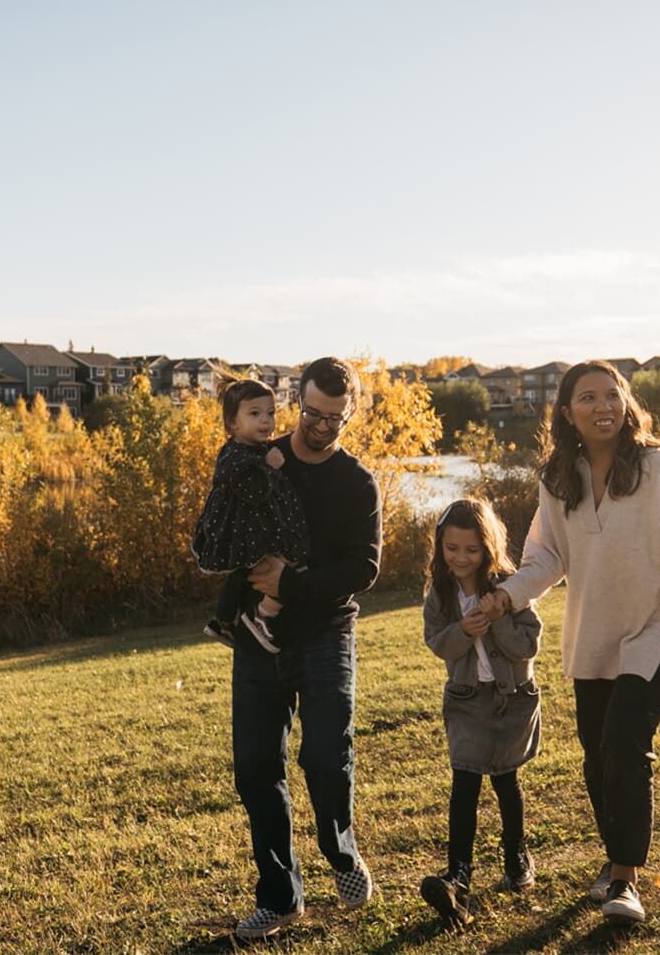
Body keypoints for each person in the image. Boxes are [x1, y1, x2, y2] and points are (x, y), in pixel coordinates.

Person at [482, 359, 660, 927]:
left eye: (611, 395)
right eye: (588, 398)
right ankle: (614, 860)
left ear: (627, 404)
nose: (603, 407)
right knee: (597, 761)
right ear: (567, 412)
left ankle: (624, 879)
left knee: (623, 742)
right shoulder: (558, 479)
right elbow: (545, 559)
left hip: (659, 630)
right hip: (593, 638)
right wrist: (505, 597)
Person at [229, 356, 382, 941]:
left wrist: (291, 584)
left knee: (323, 756)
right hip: (260, 637)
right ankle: (280, 896)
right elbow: (222, 523)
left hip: (326, 631)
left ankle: (341, 855)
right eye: (312, 413)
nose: (319, 426)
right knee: (255, 768)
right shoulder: (260, 462)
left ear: (350, 412)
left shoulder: (357, 482)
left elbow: (364, 567)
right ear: (298, 401)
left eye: (333, 418)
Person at [419, 498, 542, 927]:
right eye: (452, 548)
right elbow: (436, 643)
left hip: (510, 697)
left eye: (470, 550)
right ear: (441, 548)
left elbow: (527, 646)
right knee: (465, 782)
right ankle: (458, 876)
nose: (460, 558)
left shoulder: (510, 586)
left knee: (507, 781)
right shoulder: (440, 594)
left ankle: (516, 856)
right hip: (467, 700)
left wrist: (498, 618)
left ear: (487, 548)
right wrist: (462, 630)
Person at [191, 378, 309, 652]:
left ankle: (222, 621)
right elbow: (253, 491)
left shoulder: (250, 450)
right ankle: (262, 617)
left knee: (244, 575)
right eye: (254, 414)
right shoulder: (234, 455)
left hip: (252, 530)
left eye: (270, 413)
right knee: (288, 569)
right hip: (246, 533)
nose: (265, 421)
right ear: (233, 423)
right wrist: (270, 466)